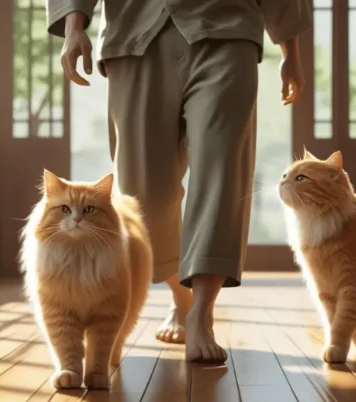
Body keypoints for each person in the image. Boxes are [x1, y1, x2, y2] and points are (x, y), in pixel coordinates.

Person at [47, 0, 312, 362]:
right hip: (133, 32)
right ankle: (179, 292)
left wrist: (290, 50)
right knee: (139, 196)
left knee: (222, 174)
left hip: (228, 28)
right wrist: (75, 26)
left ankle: (201, 312)